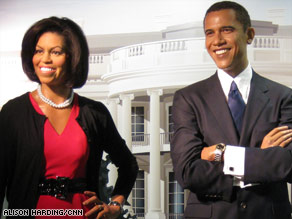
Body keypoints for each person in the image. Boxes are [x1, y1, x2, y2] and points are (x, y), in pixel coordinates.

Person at [0, 16, 138, 219]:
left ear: (73, 57)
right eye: (39, 51)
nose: (45, 59)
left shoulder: (94, 113)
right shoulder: (14, 112)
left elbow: (128, 165)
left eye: (55, 52)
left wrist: (115, 206)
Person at [170, 1, 292, 219]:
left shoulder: (283, 97)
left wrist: (221, 153)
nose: (217, 41)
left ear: (249, 34)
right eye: (210, 33)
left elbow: (289, 164)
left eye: (227, 30)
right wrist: (262, 158)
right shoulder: (188, 99)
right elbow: (188, 171)